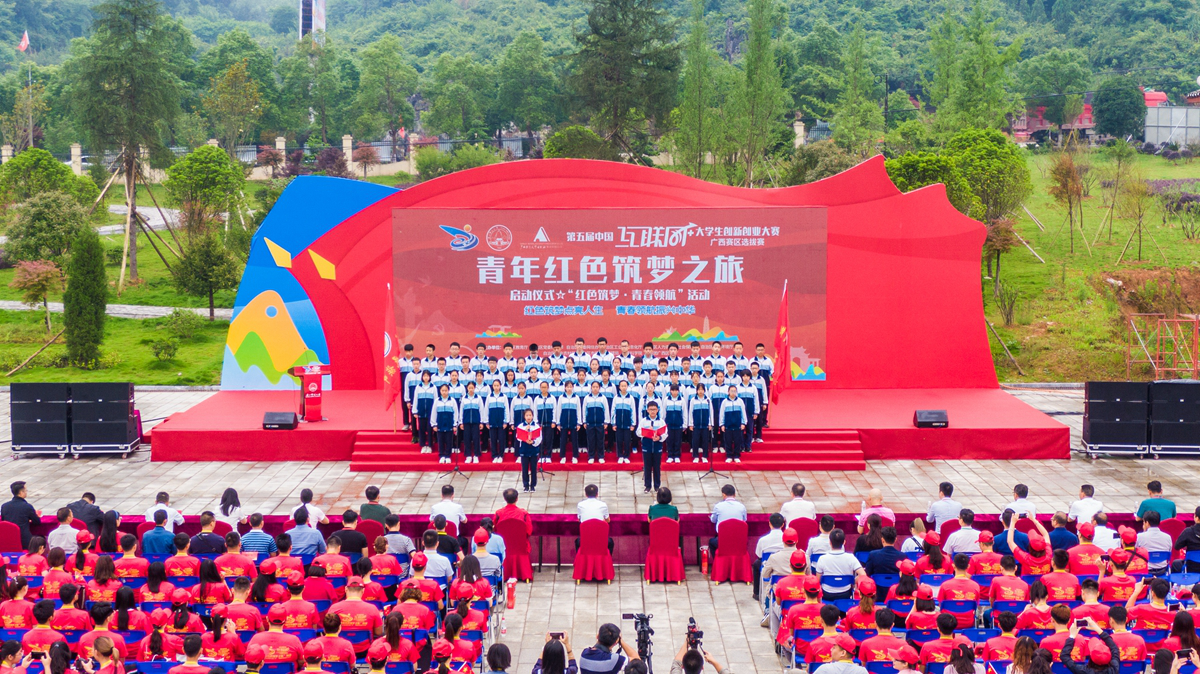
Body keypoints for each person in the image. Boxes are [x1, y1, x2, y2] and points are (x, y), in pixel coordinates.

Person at [814, 529, 865, 599]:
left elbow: (818, 579)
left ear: (830, 542)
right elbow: (863, 574)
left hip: (827, 594)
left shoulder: (822, 559)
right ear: (844, 542)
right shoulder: (851, 557)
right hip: (845, 593)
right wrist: (852, 580)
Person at [707, 484, 746, 554]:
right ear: (735, 494)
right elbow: (744, 521)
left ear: (723, 495)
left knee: (711, 542)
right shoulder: (742, 507)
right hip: (738, 541)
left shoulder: (718, 506)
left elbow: (713, 520)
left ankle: (717, 560)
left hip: (723, 540)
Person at [637, 401, 666, 493]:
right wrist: (646, 431)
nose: (652, 411)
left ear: (657, 410)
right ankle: (647, 486)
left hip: (657, 447)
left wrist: (659, 438)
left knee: (657, 467)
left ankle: (657, 486)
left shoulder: (661, 421)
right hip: (647, 447)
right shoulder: (643, 421)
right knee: (647, 467)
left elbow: (665, 433)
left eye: (654, 409)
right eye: (651, 409)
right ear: (647, 410)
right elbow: (638, 432)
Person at [1, 482, 39, 548]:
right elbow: (37, 522)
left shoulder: (4, 506)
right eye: (26, 490)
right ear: (21, 492)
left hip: (8, 539)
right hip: (24, 541)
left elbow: (4, 521)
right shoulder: (27, 506)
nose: (26, 492)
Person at [516, 408, 542, 492]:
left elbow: (539, 438)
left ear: (532, 416)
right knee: (525, 469)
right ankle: (526, 485)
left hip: (533, 449)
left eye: (530, 415)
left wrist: (533, 442)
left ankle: (533, 485)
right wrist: (525, 431)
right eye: (527, 415)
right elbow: (518, 437)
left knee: (533, 468)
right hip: (524, 449)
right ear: (524, 416)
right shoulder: (521, 426)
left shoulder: (536, 426)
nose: (528, 417)